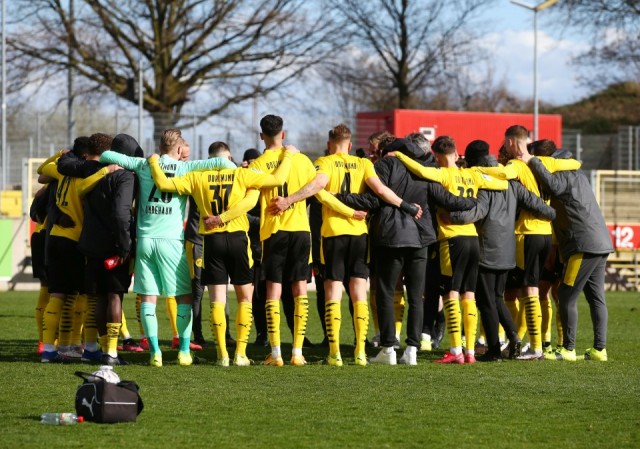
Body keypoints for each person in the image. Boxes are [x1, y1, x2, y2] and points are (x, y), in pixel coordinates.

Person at [269, 124, 420, 366]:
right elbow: (381, 190)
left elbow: (317, 186)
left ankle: (335, 353)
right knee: (359, 290)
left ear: (330, 144)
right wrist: (407, 206)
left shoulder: (324, 162)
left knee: (333, 290)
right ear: (349, 145)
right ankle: (360, 353)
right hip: (359, 233)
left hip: (333, 234)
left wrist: (289, 200)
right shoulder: (363, 163)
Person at [150, 141, 296, 366]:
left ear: (210, 160)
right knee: (245, 298)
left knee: (217, 300)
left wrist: (153, 162)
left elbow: (163, 183)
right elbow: (278, 179)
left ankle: (222, 356)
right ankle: (240, 354)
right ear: (228, 158)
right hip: (238, 239)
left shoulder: (197, 177)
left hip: (212, 240)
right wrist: (288, 155)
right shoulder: (241, 174)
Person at [99, 129, 236, 367]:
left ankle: (155, 353)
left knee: (148, 298)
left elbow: (106, 156)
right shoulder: (185, 168)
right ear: (179, 149)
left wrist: (128, 163)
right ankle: (184, 351)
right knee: (184, 296)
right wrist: (238, 169)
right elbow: (222, 163)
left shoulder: (144, 164)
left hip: (146, 240)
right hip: (171, 241)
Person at [393, 135, 508, 364]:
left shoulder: (442, 174)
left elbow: (420, 171)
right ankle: (470, 351)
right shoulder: (472, 174)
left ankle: (456, 351)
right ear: (456, 153)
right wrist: (488, 172)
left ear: (436, 156)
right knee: (469, 294)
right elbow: (503, 183)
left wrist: (398, 155)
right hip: (472, 238)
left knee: (451, 293)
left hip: (450, 239)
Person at [448, 140, 556, 361]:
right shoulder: (510, 182)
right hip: (508, 250)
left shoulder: (484, 182)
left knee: (486, 301)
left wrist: (452, 217)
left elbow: (479, 211)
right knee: (496, 298)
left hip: (487, 248)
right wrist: (551, 214)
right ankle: (514, 336)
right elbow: (538, 205)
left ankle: (494, 350)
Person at [38, 136, 119, 363]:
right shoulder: (91, 173)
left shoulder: (63, 170)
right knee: (88, 295)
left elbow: (42, 170)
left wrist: (60, 155)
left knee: (58, 294)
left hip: (55, 237)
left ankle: (49, 350)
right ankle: (89, 348)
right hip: (77, 239)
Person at [503, 125, 581, 360]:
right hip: (546, 233)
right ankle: (537, 344)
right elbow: (575, 163)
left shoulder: (515, 165)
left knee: (529, 288)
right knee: (536, 288)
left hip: (527, 232)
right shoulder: (544, 162)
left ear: (511, 142)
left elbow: (500, 176)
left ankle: (535, 346)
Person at [528, 149, 613, 362]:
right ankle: (599, 350)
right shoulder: (581, 177)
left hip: (583, 245)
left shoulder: (565, 175)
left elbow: (552, 185)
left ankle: (568, 349)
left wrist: (533, 161)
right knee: (596, 298)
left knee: (566, 295)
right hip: (600, 243)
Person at [78, 133, 138, 366]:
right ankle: (111, 352)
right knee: (114, 295)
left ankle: (104, 350)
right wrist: (125, 245)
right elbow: (121, 214)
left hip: (91, 244)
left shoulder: (95, 173)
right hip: (113, 244)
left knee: (101, 297)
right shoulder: (125, 176)